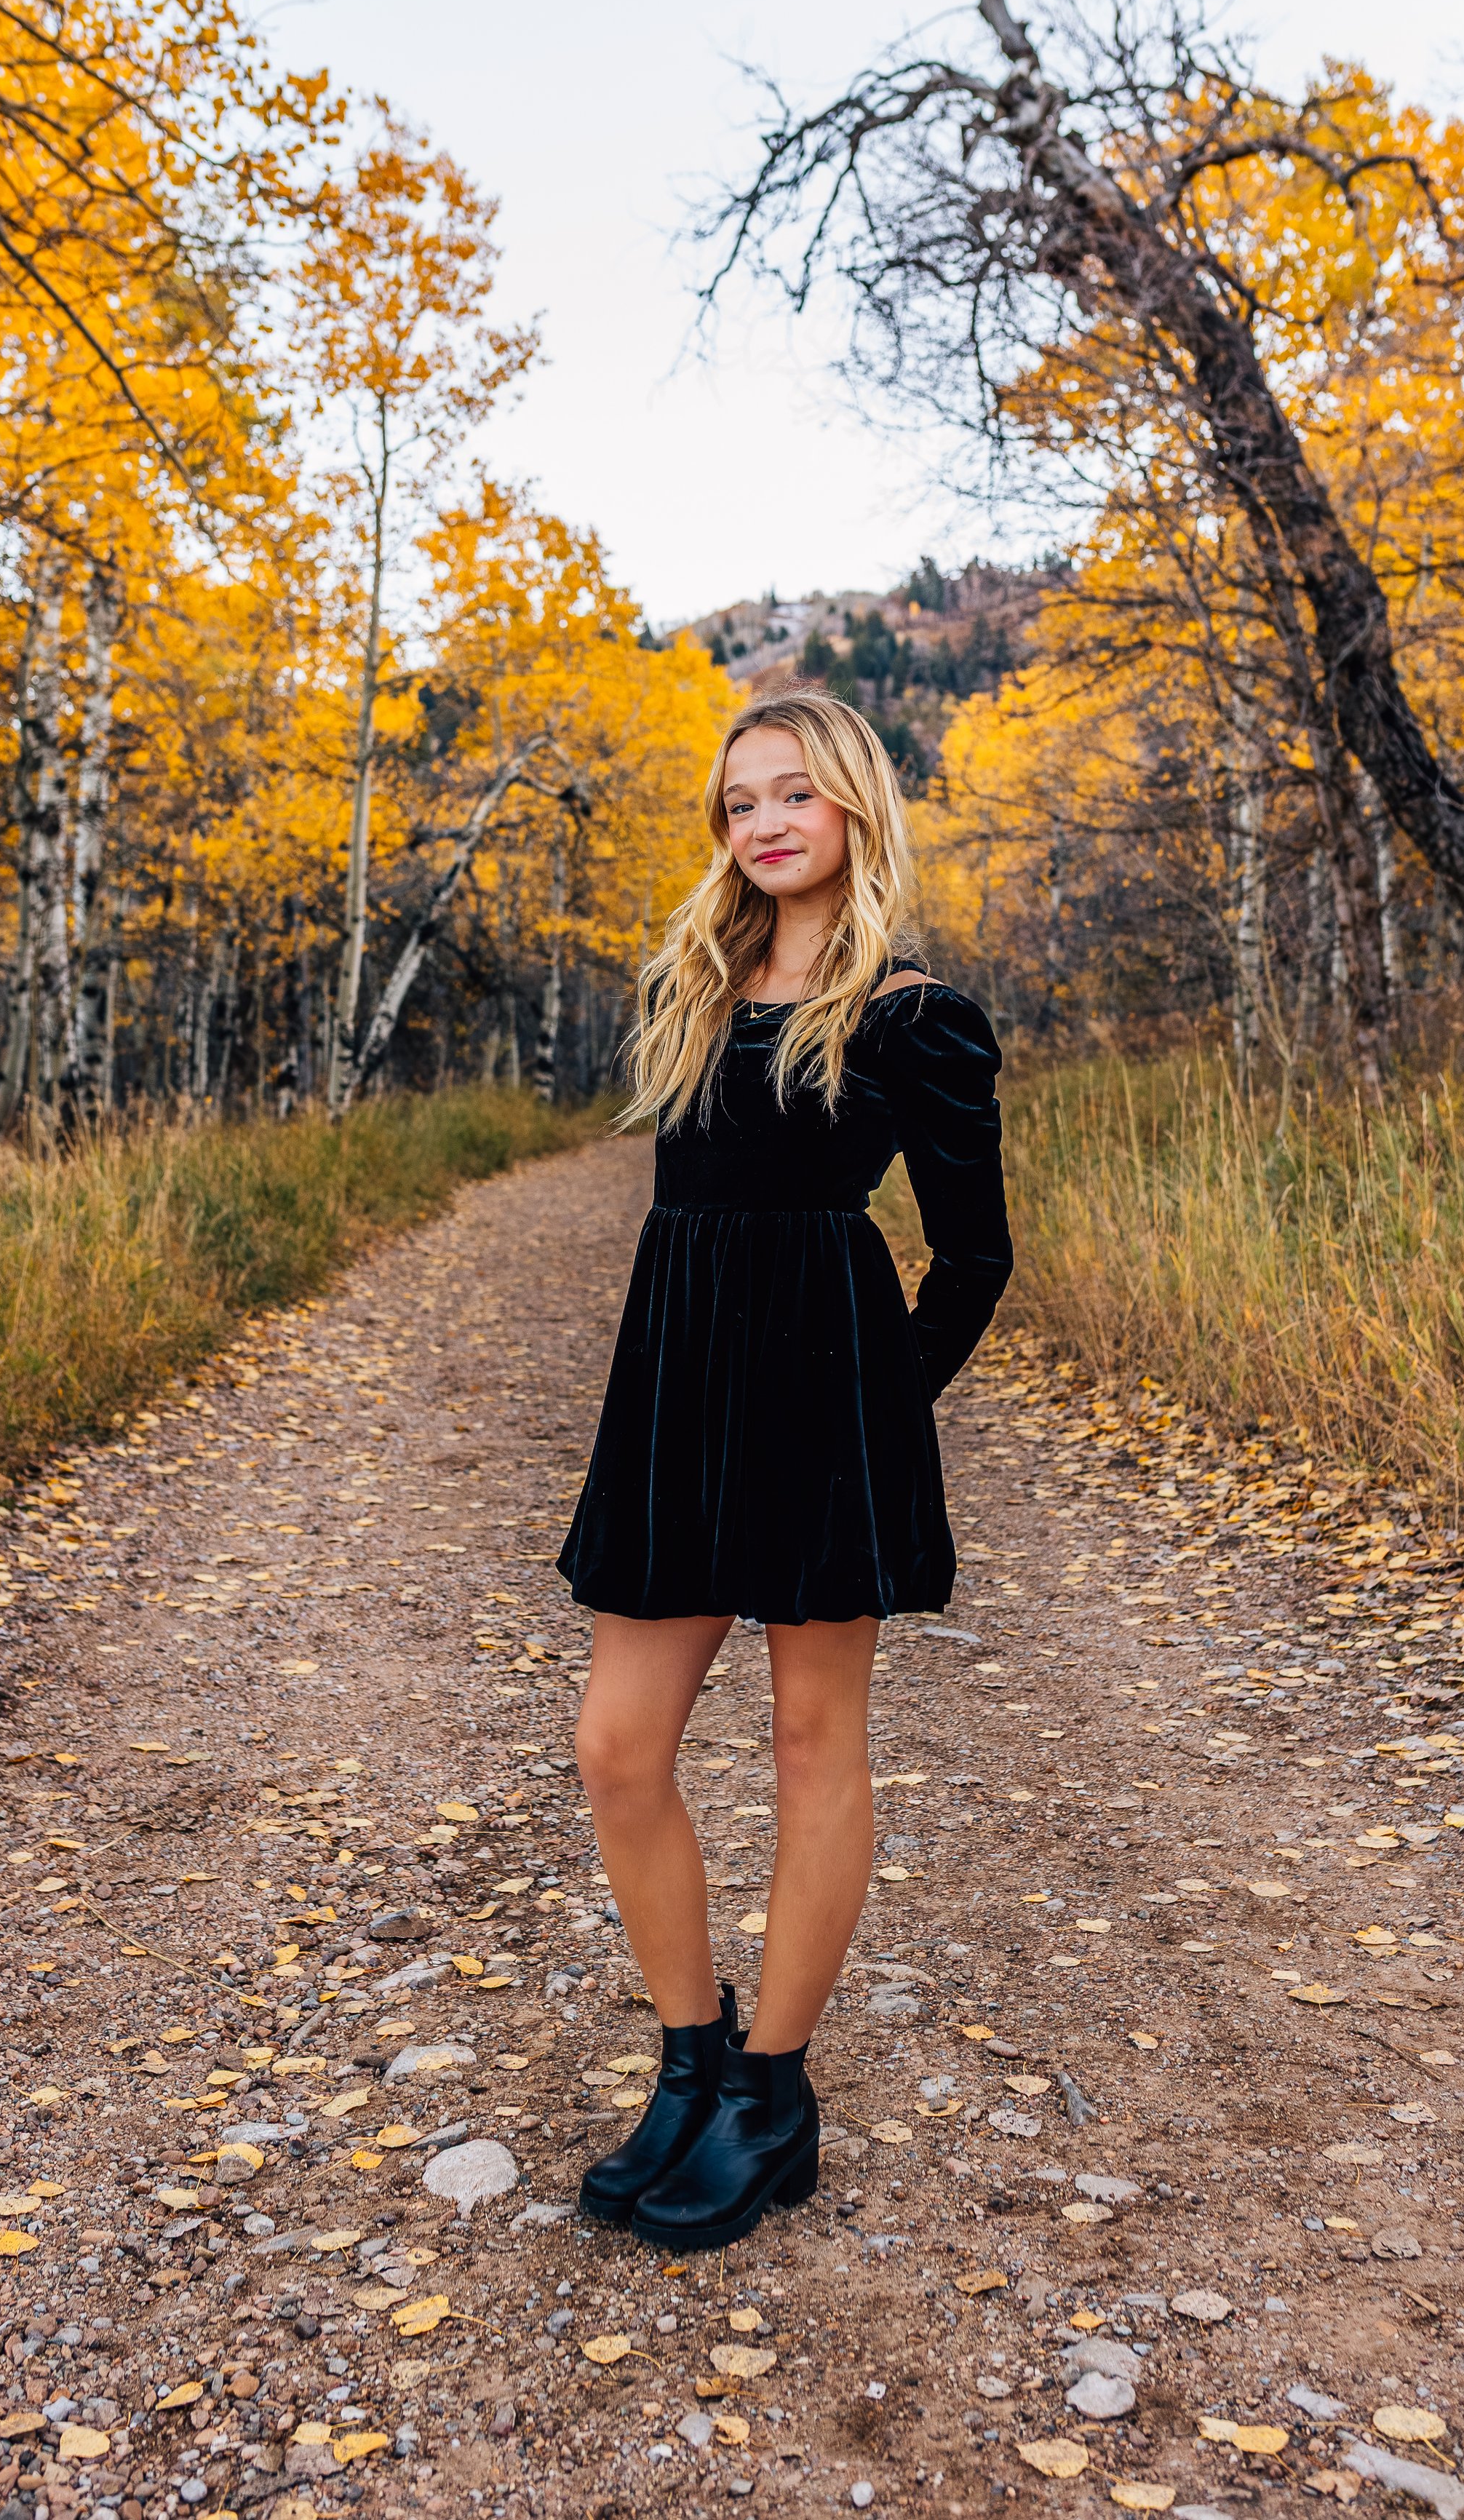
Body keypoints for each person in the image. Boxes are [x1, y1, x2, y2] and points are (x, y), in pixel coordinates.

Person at [557, 685, 1013, 2250]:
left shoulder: (912, 1015)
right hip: (678, 1405)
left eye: (793, 795)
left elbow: (972, 1256)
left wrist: (877, 1407)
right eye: (740, 798)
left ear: (852, 812)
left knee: (816, 1749)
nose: (762, 822)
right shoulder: (699, 982)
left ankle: (772, 2094)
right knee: (618, 1745)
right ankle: (687, 2062)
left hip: (825, 1424)